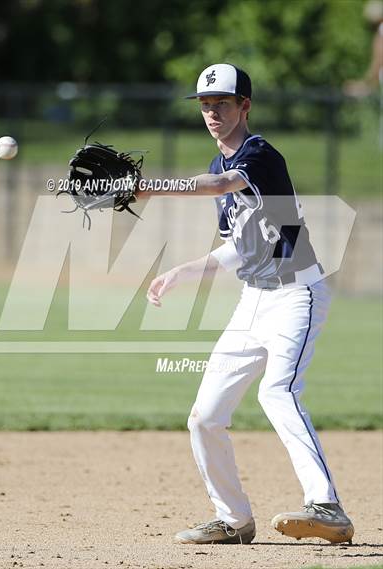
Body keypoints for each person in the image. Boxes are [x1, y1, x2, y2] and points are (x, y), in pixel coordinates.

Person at [142, 63, 355, 545]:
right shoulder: (219, 165)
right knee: (205, 415)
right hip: (253, 300)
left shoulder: (260, 156)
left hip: (297, 293)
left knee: (277, 391)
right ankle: (234, 520)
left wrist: (151, 186)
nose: (212, 111)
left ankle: (328, 506)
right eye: (205, 104)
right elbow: (238, 245)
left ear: (245, 106)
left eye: (222, 102)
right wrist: (183, 271)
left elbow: (219, 187)